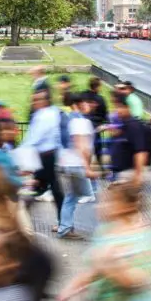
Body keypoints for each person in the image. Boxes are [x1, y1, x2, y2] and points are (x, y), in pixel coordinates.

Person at [57, 93, 95, 240]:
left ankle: (64, 227)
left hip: (68, 162)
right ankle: (65, 228)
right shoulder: (79, 121)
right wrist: (87, 167)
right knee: (82, 196)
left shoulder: (69, 118)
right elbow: (81, 146)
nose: (90, 106)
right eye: (87, 103)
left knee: (71, 197)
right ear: (79, 104)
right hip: (77, 164)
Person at [23, 89, 64, 221]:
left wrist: (21, 153)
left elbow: (34, 137)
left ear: (46, 101)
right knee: (45, 188)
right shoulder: (49, 112)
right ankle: (63, 222)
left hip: (45, 157)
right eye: (34, 99)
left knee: (43, 188)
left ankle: (63, 222)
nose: (34, 102)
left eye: (38, 99)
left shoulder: (45, 115)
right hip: (45, 156)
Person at [108, 90, 149, 185]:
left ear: (128, 107)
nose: (117, 111)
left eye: (120, 107)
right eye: (116, 107)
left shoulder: (134, 125)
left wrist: (138, 176)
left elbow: (140, 152)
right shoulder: (125, 124)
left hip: (128, 175)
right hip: (120, 172)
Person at [82, 77, 109, 168]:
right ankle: (101, 166)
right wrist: (106, 123)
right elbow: (105, 114)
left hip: (84, 125)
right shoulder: (100, 99)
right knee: (97, 148)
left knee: (86, 148)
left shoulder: (83, 95)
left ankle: (86, 166)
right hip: (96, 127)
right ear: (97, 87)